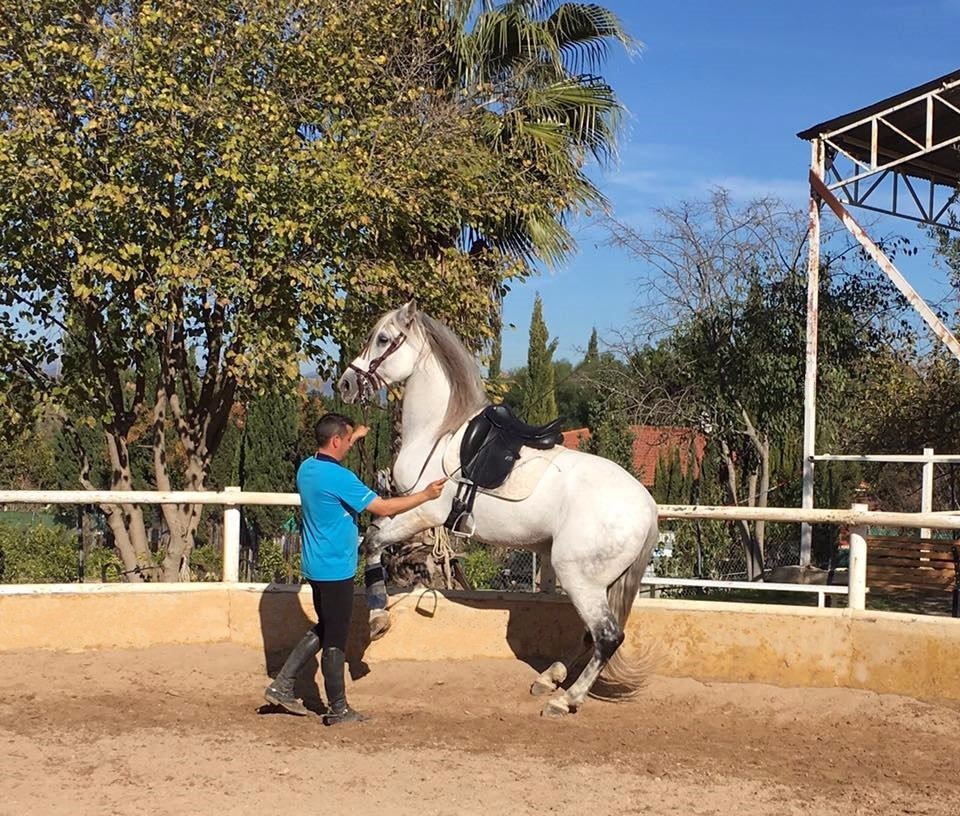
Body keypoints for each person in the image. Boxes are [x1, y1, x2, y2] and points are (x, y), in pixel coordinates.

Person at [264, 412, 445, 724]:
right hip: (336, 569)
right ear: (336, 441)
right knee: (335, 637)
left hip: (315, 565)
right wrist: (426, 495)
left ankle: (282, 685)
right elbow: (384, 508)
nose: (349, 445)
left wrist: (355, 434)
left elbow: (331, 454)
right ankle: (338, 708)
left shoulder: (308, 468)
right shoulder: (340, 479)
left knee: (325, 626)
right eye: (346, 441)